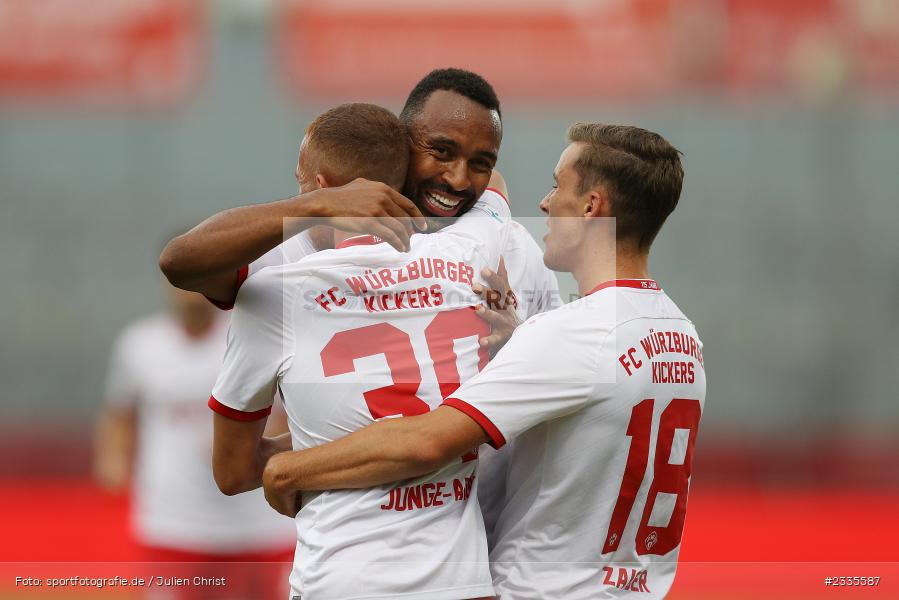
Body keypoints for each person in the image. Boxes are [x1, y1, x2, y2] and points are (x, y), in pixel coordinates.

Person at [262, 124, 706, 599]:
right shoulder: (679, 333)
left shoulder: (571, 334)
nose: (545, 203)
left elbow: (426, 442)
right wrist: (519, 346)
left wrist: (286, 470)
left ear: (592, 206)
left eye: (558, 185)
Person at [209, 101, 510, 599]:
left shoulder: (274, 292)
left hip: (343, 580)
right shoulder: (470, 256)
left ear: (323, 189)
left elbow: (234, 472)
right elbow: (492, 184)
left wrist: (327, 447)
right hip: (462, 584)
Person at [158, 67, 560, 336]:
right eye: (440, 151)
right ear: (402, 146)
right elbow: (179, 263)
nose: (457, 178)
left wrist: (519, 341)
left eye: (481, 163)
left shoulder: (515, 247)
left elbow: (570, 379)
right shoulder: (306, 242)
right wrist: (316, 205)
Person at [94, 281, 295, 600]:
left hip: (258, 524)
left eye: (202, 279)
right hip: (173, 523)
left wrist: (240, 444)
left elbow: (290, 420)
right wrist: (113, 459)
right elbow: (119, 412)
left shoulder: (254, 338)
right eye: (182, 281)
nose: (191, 292)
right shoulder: (140, 344)